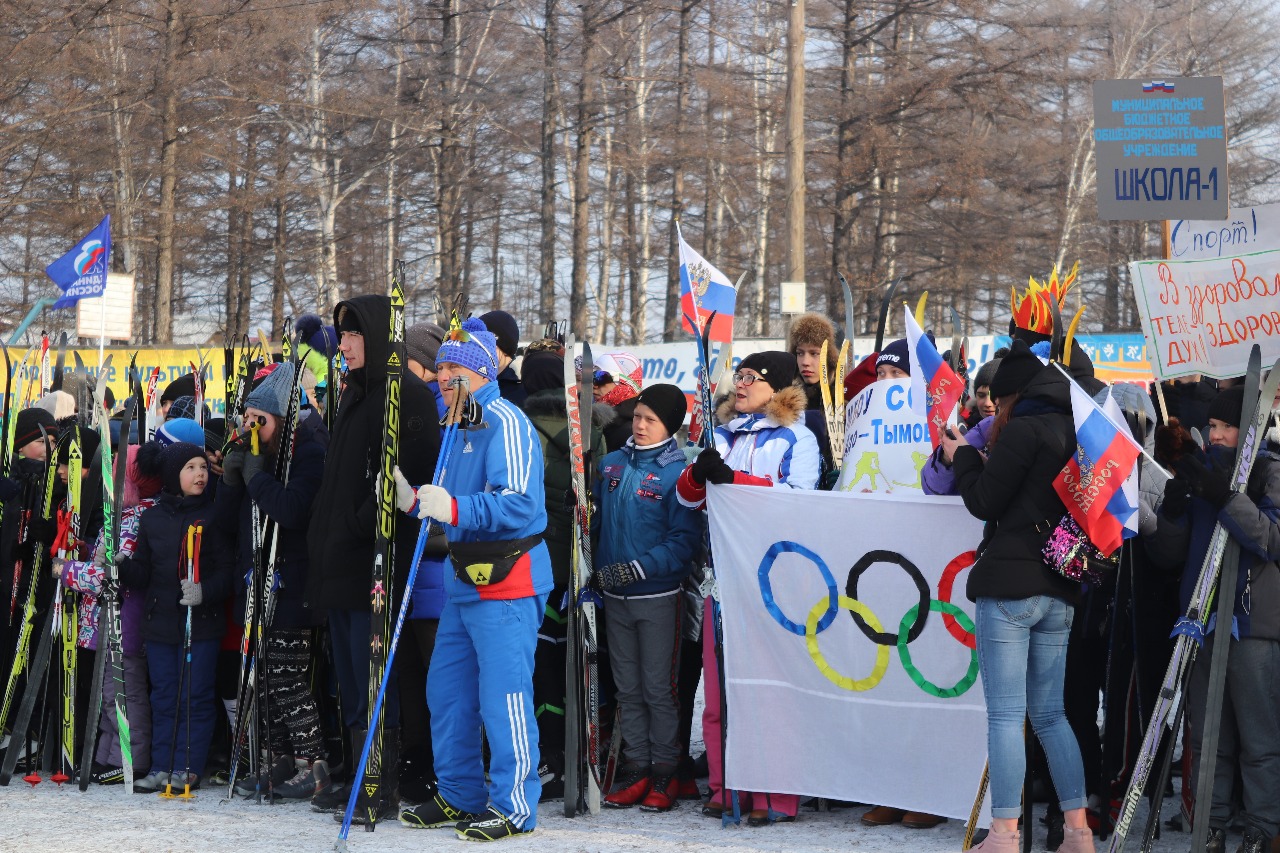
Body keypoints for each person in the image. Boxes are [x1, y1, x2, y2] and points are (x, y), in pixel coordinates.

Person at [394, 316, 551, 841]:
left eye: (455, 368)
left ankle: (516, 804)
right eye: (440, 369)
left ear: (481, 372)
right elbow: (447, 508)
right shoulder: (456, 427)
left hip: (508, 577)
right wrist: (417, 502)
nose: (442, 377)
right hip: (465, 579)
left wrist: (454, 506)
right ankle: (461, 794)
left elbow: (519, 502)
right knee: (447, 692)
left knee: (503, 695)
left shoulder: (503, 421)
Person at [944, 340, 1094, 853]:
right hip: (1061, 586)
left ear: (1010, 397)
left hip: (1011, 588)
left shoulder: (1024, 427)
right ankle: (1078, 831)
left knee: (1007, 715)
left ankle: (1004, 836)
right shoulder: (1077, 429)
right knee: (1052, 716)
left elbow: (984, 499)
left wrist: (963, 454)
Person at [305, 294, 439, 819]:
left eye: (356, 334)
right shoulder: (356, 394)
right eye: (343, 335)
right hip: (340, 565)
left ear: (381, 336)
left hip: (374, 564)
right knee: (351, 684)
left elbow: (410, 479)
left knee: (373, 679)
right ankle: (362, 774)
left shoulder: (405, 395)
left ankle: (379, 785)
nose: (345, 344)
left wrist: (357, 525)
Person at [676, 350, 819, 826]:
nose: (739, 385)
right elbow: (686, 499)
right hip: (723, 576)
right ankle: (725, 783)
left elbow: (798, 502)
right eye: (737, 377)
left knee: (770, 689)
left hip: (774, 579)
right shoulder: (721, 434)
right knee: (718, 693)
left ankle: (775, 793)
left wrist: (734, 479)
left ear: (776, 387)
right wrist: (698, 474)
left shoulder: (797, 438)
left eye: (750, 378)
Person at [1157, 385, 1280, 853]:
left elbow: (1270, 539)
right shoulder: (1203, 469)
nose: (1214, 434)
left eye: (1224, 425)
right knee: (1209, 739)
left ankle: (1263, 829)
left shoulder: (1270, 470)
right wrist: (1171, 510)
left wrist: (1226, 497)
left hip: (1251, 623)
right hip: (1202, 621)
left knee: (1259, 738)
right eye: (1211, 426)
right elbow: (1171, 555)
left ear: (1247, 429)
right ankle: (1209, 826)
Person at [217, 363, 330, 801]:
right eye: (246, 420)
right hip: (256, 579)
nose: (250, 428)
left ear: (280, 420)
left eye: (258, 421)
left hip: (293, 582)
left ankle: (313, 762)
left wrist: (256, 476)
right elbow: (226, 523)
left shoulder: (307, 450)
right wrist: (231, 479)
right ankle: (278, 759)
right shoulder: (257, 452)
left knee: (286, 679)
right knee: (262, 679)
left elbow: (293, 511)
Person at [595, 383, 701, 812]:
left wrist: (637, 569)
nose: (639, 425)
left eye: (650, 420)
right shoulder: (610, 465)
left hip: (657, 595)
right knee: (627, 689)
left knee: (659, 688)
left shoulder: (678, 474)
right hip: (614, 596)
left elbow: (683, 542)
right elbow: (598, 527)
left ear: (669, 426)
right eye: (637, 416)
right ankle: (638, 768)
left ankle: (666, 772)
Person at [519, 341, 610, 800]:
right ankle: (572, 750)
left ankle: (547, 755)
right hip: (576, 566)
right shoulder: (590, 427)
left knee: (539, 667)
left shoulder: (521, 427)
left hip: (533, 565)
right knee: (571, 663)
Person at [119, 443, 234, 792]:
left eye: (203, 466)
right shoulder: (152, 518)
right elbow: (144, 572)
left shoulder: (212, 516)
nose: (199, 474)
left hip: (200, 624)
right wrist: (123, 567)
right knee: (164, 696)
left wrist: (203, 591)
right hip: (160, 623)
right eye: (190, 468)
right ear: (173, 475)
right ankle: (161, 765)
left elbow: (227, 572)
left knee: (195, 696)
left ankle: (189, 765)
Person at [56, 440, 164, 783]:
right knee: (109, 691)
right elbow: (105, 559)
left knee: (126, 690)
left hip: (125, 619)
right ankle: (108, 755)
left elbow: (109, 577)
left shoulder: (137, 517)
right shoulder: (126, 515)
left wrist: (67, 570)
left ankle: (133, 757)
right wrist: (86, 550)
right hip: (110, 619)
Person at [788, 312, 838, 483]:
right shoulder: (787, 399)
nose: (805, 362)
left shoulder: (846, 398)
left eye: (814, 353)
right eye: (800, 353)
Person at [592, 351, 645, 452]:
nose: (594, 385)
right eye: (592, 377)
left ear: (626, 382)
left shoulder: (635, 430)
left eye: (601, 377)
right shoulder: (600, 420)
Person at [478, 310, 526, 406]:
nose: (478, 350)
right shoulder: (477, 380)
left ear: (503, 346)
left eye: (485, 344)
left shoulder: (521, 387)